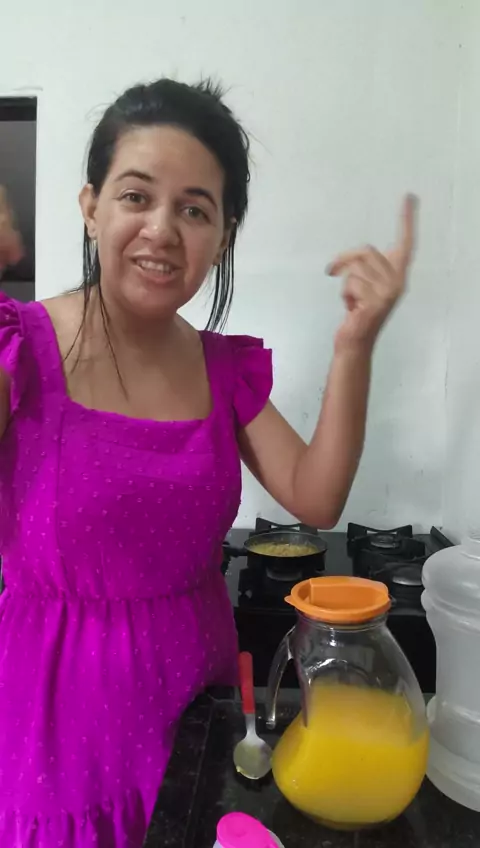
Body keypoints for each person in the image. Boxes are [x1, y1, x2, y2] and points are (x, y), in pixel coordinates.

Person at [0, 78, 416, 847]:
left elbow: (316, 497)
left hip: (197, 702)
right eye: (135, 196)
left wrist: (354, 346)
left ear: (222, 236)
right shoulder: (18, 349)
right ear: (90, 206)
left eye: (194, 210)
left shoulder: (223, 370)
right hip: (56, 725)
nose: (161, 229)